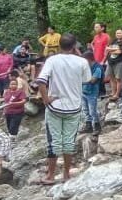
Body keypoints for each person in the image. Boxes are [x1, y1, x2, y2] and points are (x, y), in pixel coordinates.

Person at [35, 33, 92, 184]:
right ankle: (66, 174)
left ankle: (51, 175)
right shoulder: (82, 62)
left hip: (54, 107)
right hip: (74, 107)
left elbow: (40, 81)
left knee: (53, 141)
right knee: (69, 141)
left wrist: (46, 99)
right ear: (74, 47)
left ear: (59, 45)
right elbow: (87, 80)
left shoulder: (52, 60)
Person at [80, 51, 104, 135]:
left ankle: (97, 127)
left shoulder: (98, 68)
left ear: (89, 59)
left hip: (92, 92)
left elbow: (93, 80)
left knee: (92, 111)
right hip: (83, 91)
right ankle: (88, 126)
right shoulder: (85, 67)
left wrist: (81, 80)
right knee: (85, 110)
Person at [106, 29, 122, 106]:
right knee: (111, 78)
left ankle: (117, 94)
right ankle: (113, 92)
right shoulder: (114, 41)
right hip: (111, 61)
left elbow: (120, 52)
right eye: (117, 33)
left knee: (118, 79)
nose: (118, 34)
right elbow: (107, 49)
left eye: (120, 33)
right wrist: (114, 49)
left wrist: (111, 50)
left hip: (119, 62)